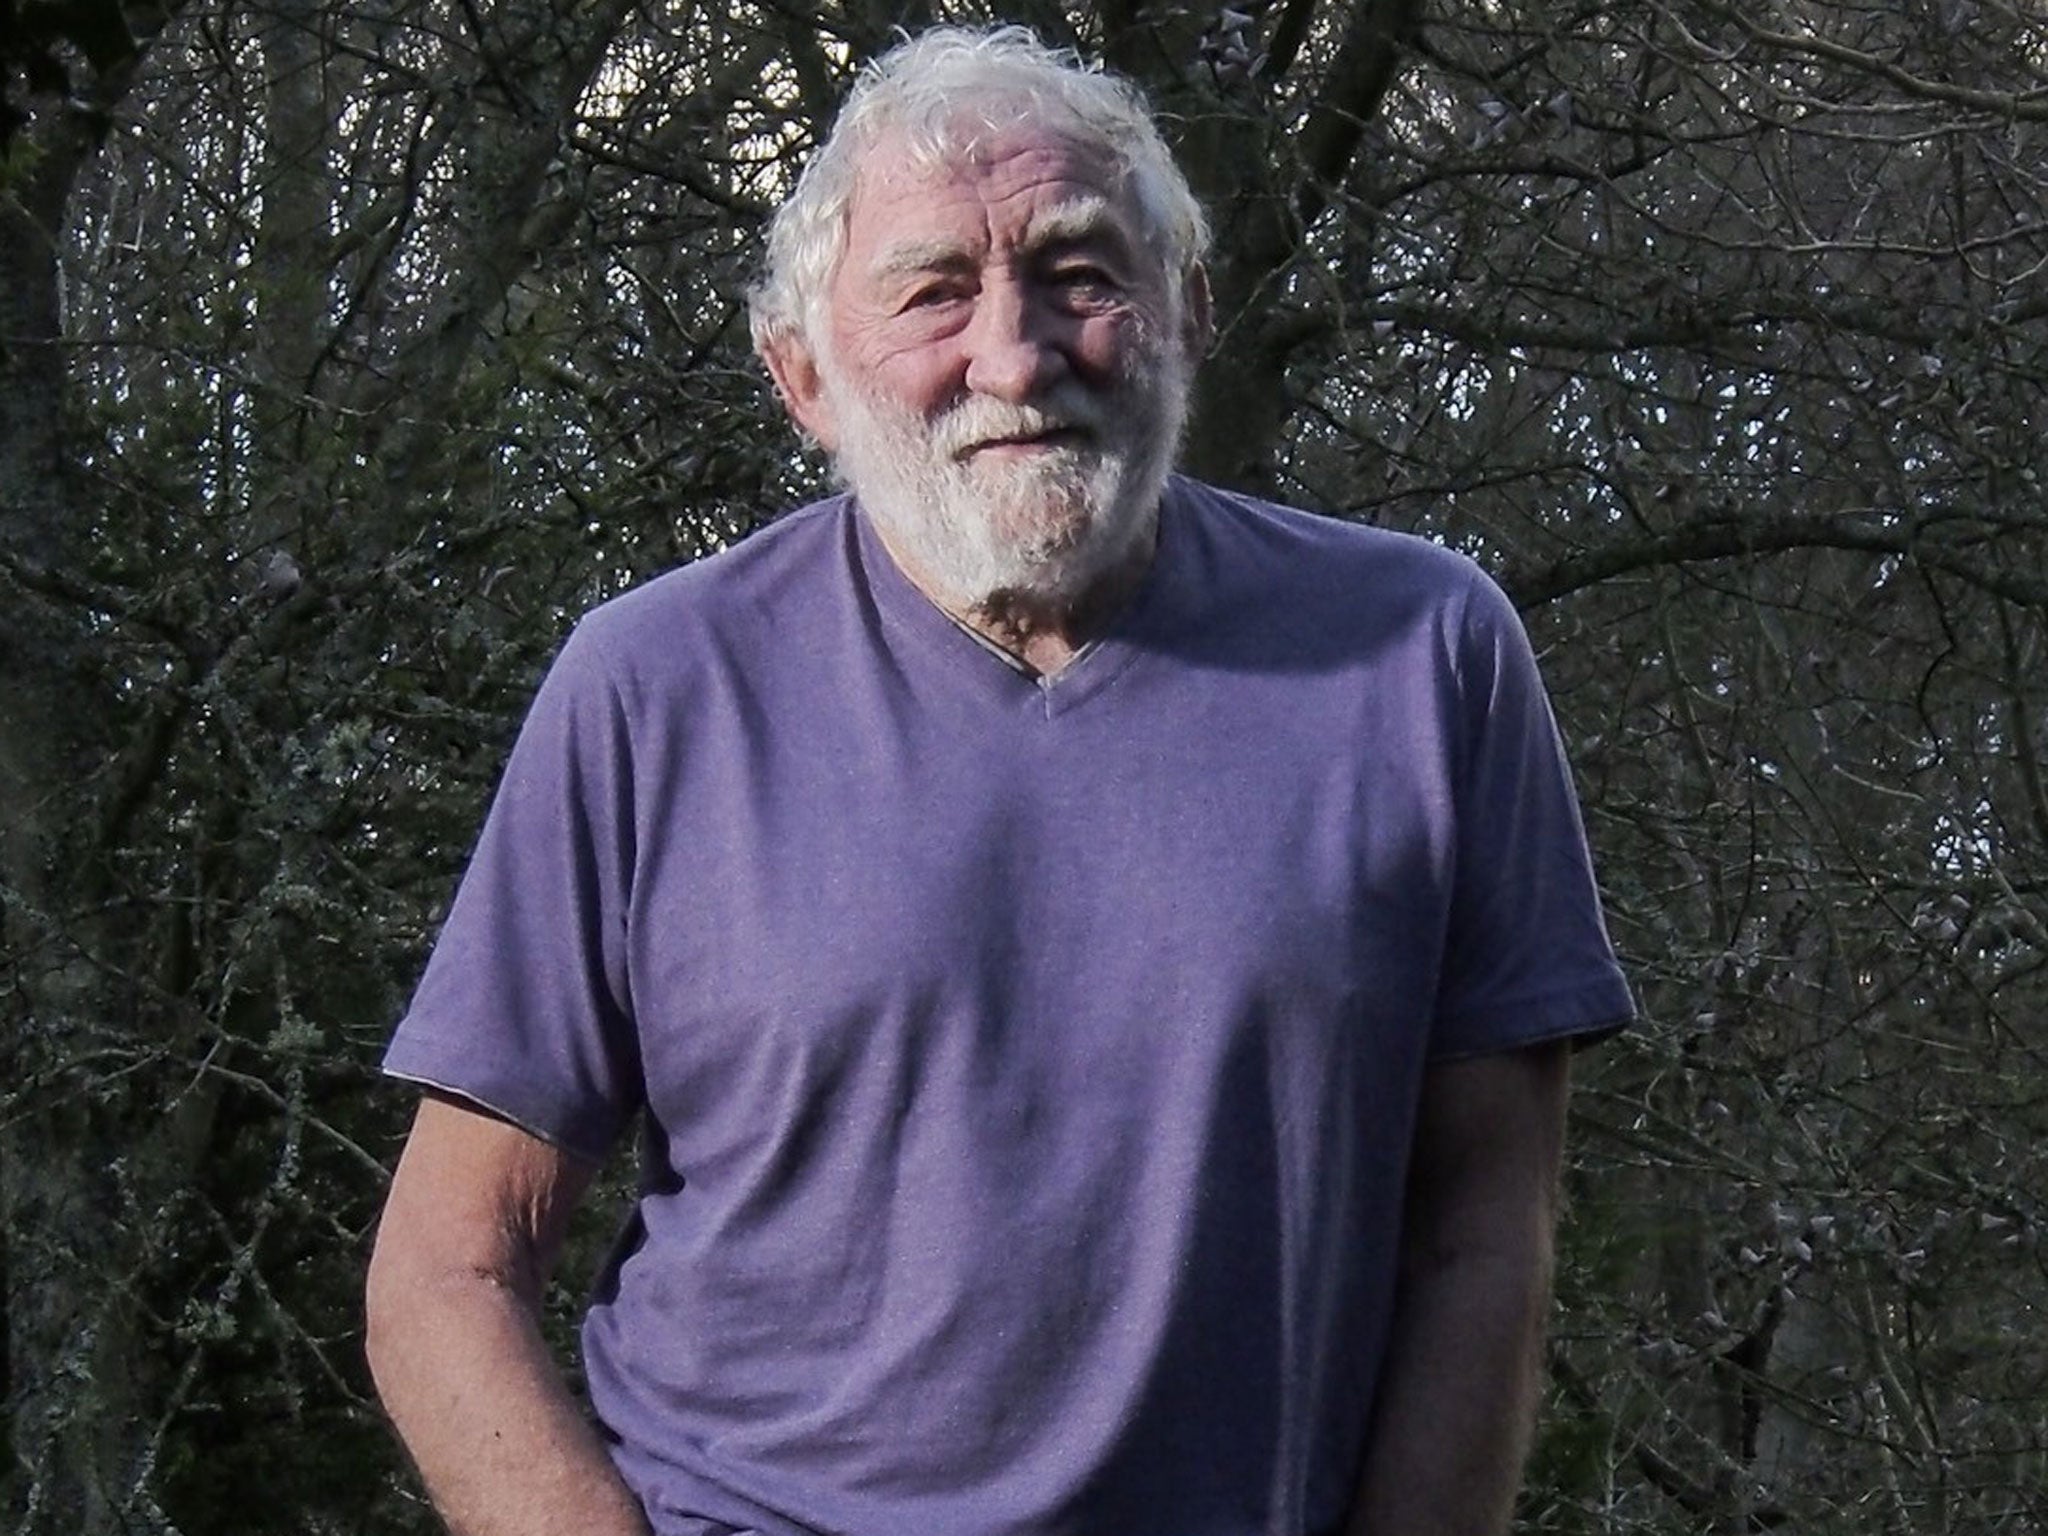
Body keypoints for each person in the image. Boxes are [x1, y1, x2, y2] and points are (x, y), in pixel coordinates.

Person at [364, 25, 1633, 1536]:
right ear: (803, 377)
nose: (1015, 356)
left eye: (1081, 274)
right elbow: (447, 1266)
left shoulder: (1422, 658)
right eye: (933, 294)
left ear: (1189, 310)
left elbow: (1483, 1232)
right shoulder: (654, 688)